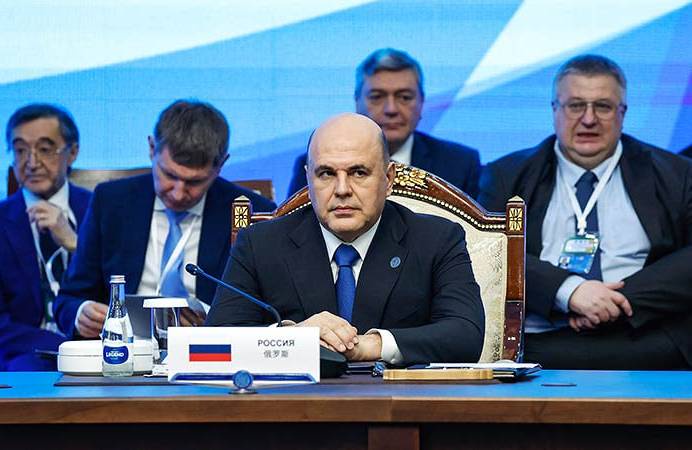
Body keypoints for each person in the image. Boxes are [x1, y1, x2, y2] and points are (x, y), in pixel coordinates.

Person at [207, 113, 484, 364]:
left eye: (358, 173)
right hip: (297, 399)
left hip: (399, 398)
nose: (342, 190)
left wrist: (371, 345)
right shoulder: (260, 244)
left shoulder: (436, 239)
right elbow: (215, 343)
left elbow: (465, 335)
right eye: (326, 174)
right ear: (308, 179)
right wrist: (293, 339)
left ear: (388, 179)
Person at [478, 54, 692, 369]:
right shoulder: (506, 175)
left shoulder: (677, 174)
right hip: (539, 338)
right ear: (555, 110)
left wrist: (614, 302)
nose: (589, 119)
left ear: (623, 112)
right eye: (575, 105)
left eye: (603, 106)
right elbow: (488, 252)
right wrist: (569, 291)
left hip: (644, 336)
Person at [54, 100, 276, 339]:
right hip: (125, 349)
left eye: (194, 182)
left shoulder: (252, 212)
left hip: (211, 349)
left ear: (221, 164)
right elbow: (69, 299)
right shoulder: (111, 202)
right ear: (152, 148)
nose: (178, 193)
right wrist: (81, 313)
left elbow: (269, 311)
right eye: (169, 175)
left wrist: (214, 321)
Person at [286, 48, 481, 199]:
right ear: (357, 101)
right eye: (377, 97)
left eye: (404, 97)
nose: (391, 109)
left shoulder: (461, 163)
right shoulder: (318, 163)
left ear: (421, 102)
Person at [0, 104, 90, 370]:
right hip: (26, 353)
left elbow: (123, 288)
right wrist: (62, 347)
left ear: (72, 152)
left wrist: (75, 244)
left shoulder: (102, 211)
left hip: (97, 348)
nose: (32, 162)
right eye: (20, 150)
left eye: (45, 149)